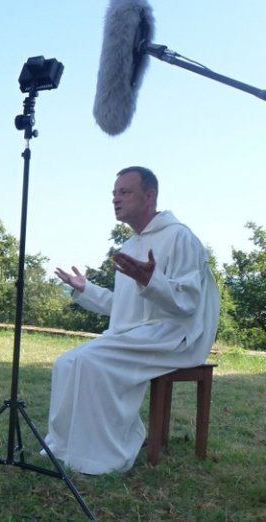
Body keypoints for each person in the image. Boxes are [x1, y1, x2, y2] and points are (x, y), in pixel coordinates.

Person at [44, 166, 220, 475]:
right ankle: (63, 447)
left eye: (124, 192)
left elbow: (188, 303)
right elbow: (123, 307)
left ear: (149, 196)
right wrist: (86, 290)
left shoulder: (180, 237)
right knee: (66, 363)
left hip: (176, 335)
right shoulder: (129, 246)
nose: (116, 199)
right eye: (114, 193)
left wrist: (153, 281)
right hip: (138, 332)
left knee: (89, 361)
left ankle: (103, 456)